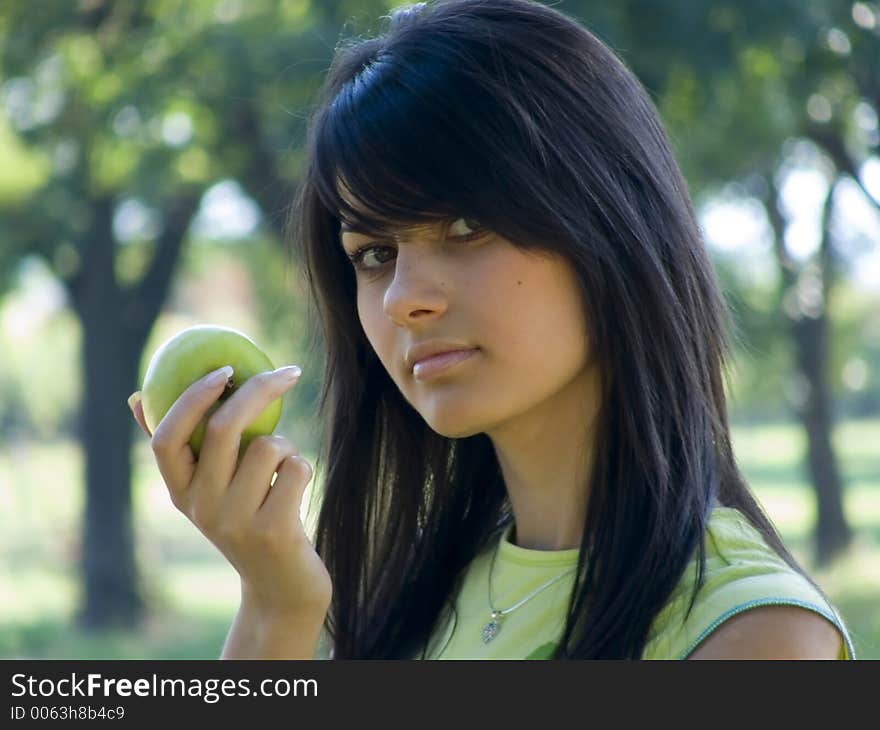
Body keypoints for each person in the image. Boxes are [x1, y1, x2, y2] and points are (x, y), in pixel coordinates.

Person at [128, 0, 856, 659]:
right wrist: (275, 604)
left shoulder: (752, 633)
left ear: (609, 221)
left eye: (465, 227)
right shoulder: (403, 599)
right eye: (374, 255)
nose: (402, 300)